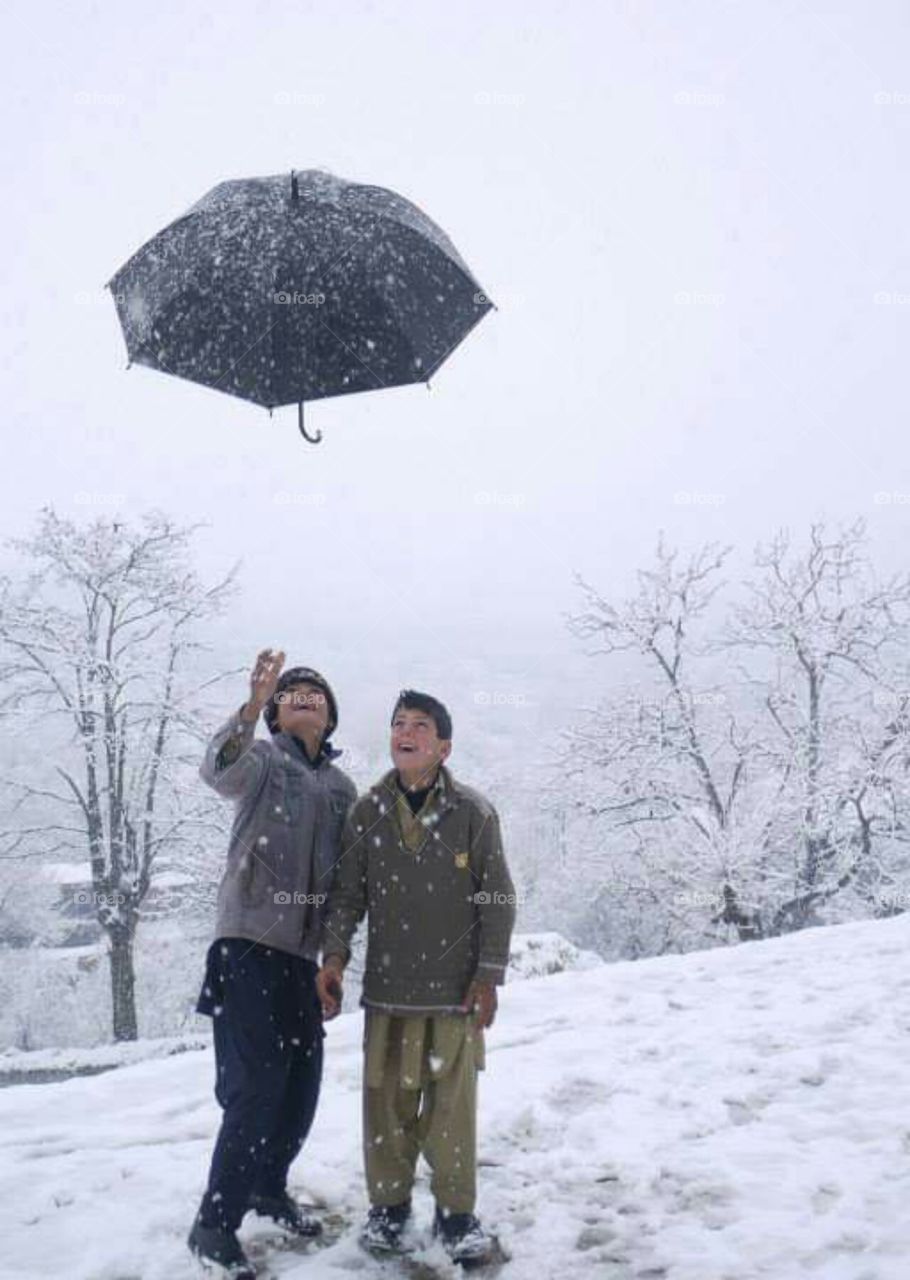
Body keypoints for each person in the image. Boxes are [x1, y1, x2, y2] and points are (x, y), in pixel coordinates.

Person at [316, 689, 516, 1266]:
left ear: (444, 746)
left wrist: (488, 977)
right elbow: (347, 898)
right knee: (386, 1109)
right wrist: (333, 960)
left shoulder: (472, 813)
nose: (405, 732)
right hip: (386, 993)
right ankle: (388, 1210)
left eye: (420, 725)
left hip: (453, 995)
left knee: (451, 1111)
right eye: (398, 723)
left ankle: (457, 1216)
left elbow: (497, 899)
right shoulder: (367, 810)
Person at [187, 649, 356, 1279]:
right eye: (293, 693)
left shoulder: (341, 789)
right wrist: (251, 708)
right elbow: (216, 770)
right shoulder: (260, 760)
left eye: (317, 692)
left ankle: (268, 1187)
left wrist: (332, 960)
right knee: (255, 1088)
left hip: (302, 961)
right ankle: (214, 1224)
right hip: (247, 946)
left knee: (299, 1091)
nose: (305, 696)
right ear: (279, 715)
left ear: (331, 716)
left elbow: (344, 887)